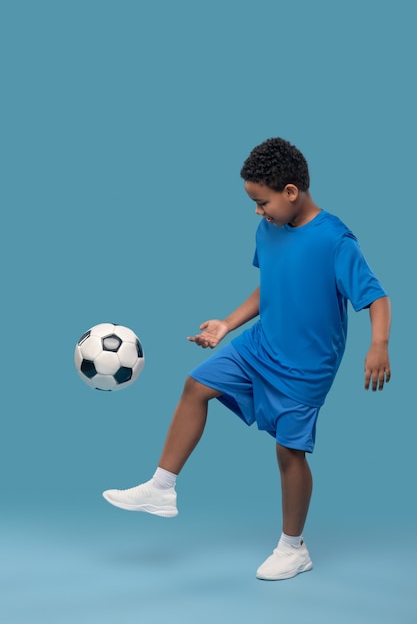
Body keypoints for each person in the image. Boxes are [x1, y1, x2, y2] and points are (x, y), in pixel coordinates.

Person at [103, 137, 391, 581]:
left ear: (291, 192)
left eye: (263, 202)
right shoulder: (269, 229)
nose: (259, 212)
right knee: (195, 386)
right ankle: (161, 489)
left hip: (305, 367)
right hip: (259, 346)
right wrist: (226, 324)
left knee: (289, 452)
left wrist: (378, 345)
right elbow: (270, 285)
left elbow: (376, 297)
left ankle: (293, 548)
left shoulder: (335, 240)